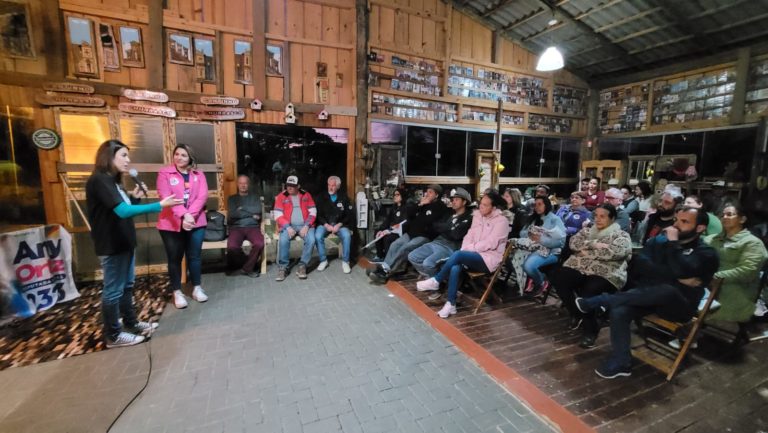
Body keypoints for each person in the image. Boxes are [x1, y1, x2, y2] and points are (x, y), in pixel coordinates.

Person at [575, 206, 719, 378]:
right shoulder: (661, 242)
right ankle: (622, 362)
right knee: (620, 311)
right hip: (649, 298)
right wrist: (674, 275)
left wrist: (673, 248)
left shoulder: (707, 253)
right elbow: (641, 263)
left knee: (667, 290)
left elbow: (682, 269)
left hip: (680, 307)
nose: (676, 225)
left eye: (684, 222)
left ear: (700, 228)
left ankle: (601, 300)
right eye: (676, 220)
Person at [86, 140, 181, 347]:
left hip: (124, 242)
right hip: (111, 245)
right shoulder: (99, 180)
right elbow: (122, 211)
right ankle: (113, 336)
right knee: (113, 291)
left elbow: (124, 208)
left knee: (127, 286)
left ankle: (131, 323)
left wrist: (135, 198)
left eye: (128, 156)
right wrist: (159, 205)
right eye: (124, 156)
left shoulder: (113, 181)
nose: (128, 161)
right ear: (108, 157)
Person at [416, 191, 510, 318]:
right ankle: (451, 304)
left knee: (458, 255)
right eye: (481, 204)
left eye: (485, 205)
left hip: (488, 259)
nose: (481, 207)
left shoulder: (502, 221)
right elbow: (469, 235)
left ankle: (436, 280)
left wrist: (467, 250)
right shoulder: (478, 216)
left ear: (493, 208)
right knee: (455, 267)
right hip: (470, 255)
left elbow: (491, 243)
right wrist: (467, 248)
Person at [550, 204, 632, 349]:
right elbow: (573, 243)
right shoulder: (588, 230)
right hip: (580, 267)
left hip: (606, 272)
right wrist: (593, 244)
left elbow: (615, 252)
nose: (598, 219)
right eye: (596, 216)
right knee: (559, 276)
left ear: (612, 218)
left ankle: (590, 330)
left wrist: (586, 251)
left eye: (603, 216)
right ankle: (576, 312)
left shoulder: (621, 235)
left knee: (590, 289)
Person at [157, 144, 209, 310]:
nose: (179, 158)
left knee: (194, 256)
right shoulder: (165, 173)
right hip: (171, 223)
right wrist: (183, 214)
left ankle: (197, 288)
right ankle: (177, 291)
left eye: (183, 155)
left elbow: (202, 197)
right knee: (175, 258)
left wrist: (190, 216)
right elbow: (166, 197)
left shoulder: (198, 175)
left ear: (190, 158)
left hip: (196, 221)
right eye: (177, 154)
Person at [368, 184, 448, 284]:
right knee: (395, 245)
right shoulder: (423, 203)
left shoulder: (440, 207)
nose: (427, 194)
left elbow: (430, 221)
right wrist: (420, 204)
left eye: (430, 192)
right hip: (411, 233)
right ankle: (384, 267)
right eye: (427, 191)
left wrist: (423, 208)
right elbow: (409, 213)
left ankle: (385, 272)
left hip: (424, 236)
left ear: (437, 195)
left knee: (405, 248)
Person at [704, 203, 768, 324]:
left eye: (729, 214)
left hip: (736, 290)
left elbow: (747, 271)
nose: (724, 217)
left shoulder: (752, 243)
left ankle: (689, 333)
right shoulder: (712, 239)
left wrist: (714, 277)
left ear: (742, 219)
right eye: (723, 215)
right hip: (710, 287)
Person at [408, 188, 473, 278]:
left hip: (449, 247)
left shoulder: (468, 218)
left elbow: (456, 234)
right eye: (452, 200)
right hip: (437, 241)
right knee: (412, 256)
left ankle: (436, 280)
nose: (453, 202)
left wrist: (445, 227)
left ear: (464, 202)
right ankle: (435, 278)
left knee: (427, 263)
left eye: (457, 200)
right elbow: (435, 226)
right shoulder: (449, 213)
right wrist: (450, 226)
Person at [510, 196, 566, 297]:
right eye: (535, 205)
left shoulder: (555, 219)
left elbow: (561, 242)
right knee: (510, 258)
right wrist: (529, 234)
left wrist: (541, 239)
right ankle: (528, 279)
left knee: (529, 265)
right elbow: (522, 232)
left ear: (547, 205)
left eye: (540, 204)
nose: (537, 207)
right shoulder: (533, 217)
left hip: (551, 251)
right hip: (531, 247)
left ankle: (541, 281)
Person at [273, 175, 316, 281]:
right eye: (288, 185)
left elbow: (313, 211)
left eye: (293, 186)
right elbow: (278, 214)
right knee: (283, 240)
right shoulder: (281, 196)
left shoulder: (306, 195)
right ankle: (283, 267)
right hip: (288, 226)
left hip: (304, 225)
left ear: (298, 186)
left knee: (311, 240)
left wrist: (306, 226)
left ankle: (302, 265)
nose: (290, 188)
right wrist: (287, 227)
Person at [226, 175, 264, 278]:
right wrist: (251, 214)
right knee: (232, 247)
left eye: (245, 183)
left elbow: (258, 210)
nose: (243, 185)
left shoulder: (255, 197)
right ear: (237, 185)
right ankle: (249, 264)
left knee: (259, 243)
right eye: (241, 183)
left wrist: (242, 208)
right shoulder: (232, 199)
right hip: (236, 228)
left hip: (252, 227)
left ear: (248, 185)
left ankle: (246, 268)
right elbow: (233, 215)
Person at [314, 175, 355, 274]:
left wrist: (339, 225)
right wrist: (326, 225)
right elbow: (318, 214)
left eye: (333, 185)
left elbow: (348, 215)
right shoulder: (321, 197)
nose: (331, 187)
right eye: (329, 185)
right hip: (325, 224)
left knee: (346, 235)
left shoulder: (344, 198)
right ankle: (323, 261)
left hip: (339, 225)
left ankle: (345, 262)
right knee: (317, 236)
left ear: (338, 186)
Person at [373, 188, 412, 261]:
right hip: (391, 229)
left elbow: (403, 223)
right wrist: (381, 229)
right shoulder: (394, 207)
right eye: (394, 195)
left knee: (387, 238)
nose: (395, 196)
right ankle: (380, 255)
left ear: (402, 196)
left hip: (400, 231)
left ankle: (388, 260)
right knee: (377, 233)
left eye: (397, 195)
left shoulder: (407, 208)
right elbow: (387, 220)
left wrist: (389, 230)